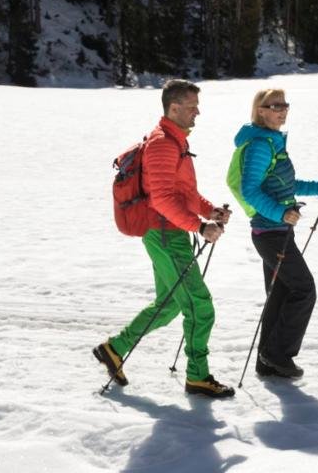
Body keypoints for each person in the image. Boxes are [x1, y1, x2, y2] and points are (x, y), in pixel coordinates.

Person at [94, 79, 236, 398]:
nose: (197, 113)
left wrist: (209, 211)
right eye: (191, 107)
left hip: (169, 232)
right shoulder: (162, 144)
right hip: (164, 234)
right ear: (174, 108)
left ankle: (114, 349)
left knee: (170, 303)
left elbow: (183, 193)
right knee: (200, 306)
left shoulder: (176, 141)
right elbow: (160, 199)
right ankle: (198, 377)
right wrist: (198, 228)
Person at [234, 88, 318, 379]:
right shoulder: (260, 145)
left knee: (280, 294)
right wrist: (280, 213)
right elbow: (250, 190)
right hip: (270, 232)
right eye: (275, 105)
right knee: (304, 290)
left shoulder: (272, 142)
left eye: (285, 105)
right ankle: (277, 354)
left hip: (276, 231)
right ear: (261, 110)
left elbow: (284, 184)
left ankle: (268, 364)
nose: (282, 110)